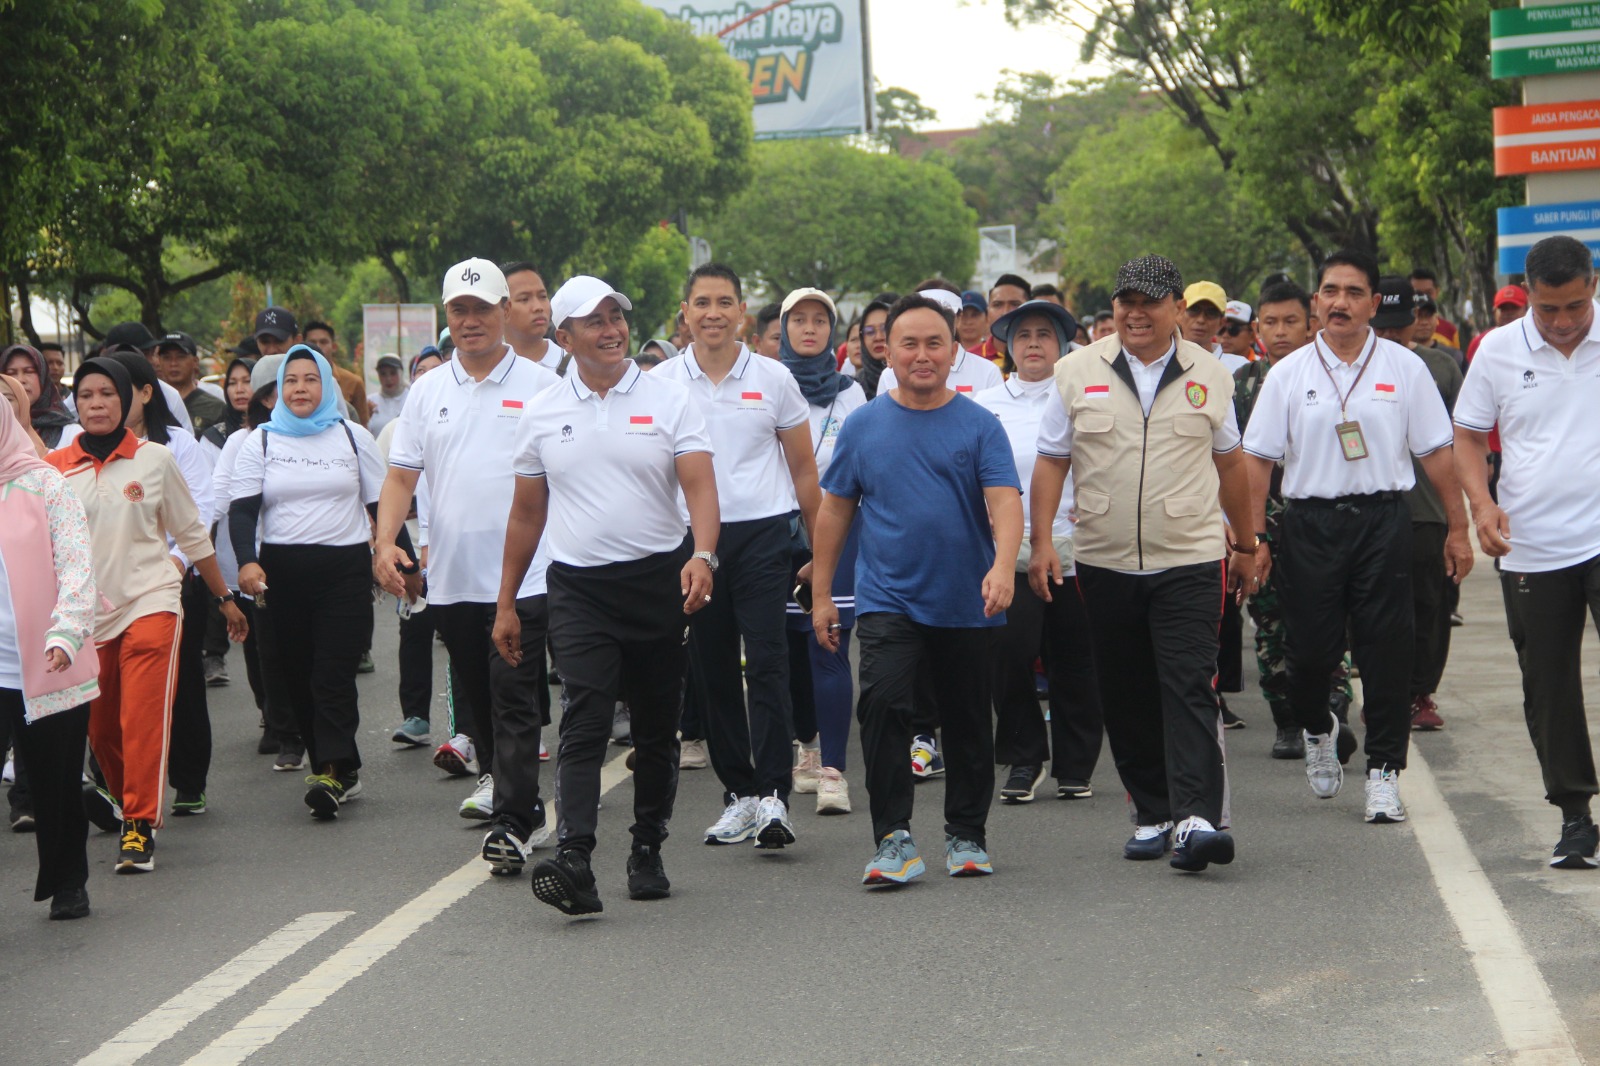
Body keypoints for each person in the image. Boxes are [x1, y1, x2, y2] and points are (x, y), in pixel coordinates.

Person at [495, 275, 719, 916]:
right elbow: (526, 514)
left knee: (655, 727)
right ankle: (575, 857)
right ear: (564, 337)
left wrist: (703, 555)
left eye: (616, 317)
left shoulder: (669, 399)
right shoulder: (541, 412)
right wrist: (506, 603)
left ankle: (646, 847)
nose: (612, 330)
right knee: (585, 719)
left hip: (659, 582)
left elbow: (701, 487)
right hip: (578, 588)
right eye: (594, 321)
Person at [1031, 254, 1255, 874]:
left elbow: (1231, 464)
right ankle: (1153, 813)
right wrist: (1043, 540)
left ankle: (1196, 818)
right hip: (1104, 560)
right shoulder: (1076, 371)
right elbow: (1051, 459)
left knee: (1188, 685)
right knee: (1125, 690)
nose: (1135, 313)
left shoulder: (1211, 374)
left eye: (1150, 302)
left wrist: (1246, 544)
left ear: (1176, 308)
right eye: (1125, 301)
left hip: (1189, 557)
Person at [1242, 249, 1471, 825]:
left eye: (1352, 292)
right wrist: (1254, 537)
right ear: (1316, 302)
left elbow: (1437, 454)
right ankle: (1320, 728)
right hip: (1310, 525)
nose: (1339, 302)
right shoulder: (1289, 373)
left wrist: (1458, 526)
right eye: (1330, 291)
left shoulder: (1404, 367)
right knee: (1308, 656)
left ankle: (1383, 774)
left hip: (1382, 522)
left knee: (1387, 653)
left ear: (1372, 304)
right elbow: (1257, 461)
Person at [809, 293, 1020, 886]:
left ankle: (967, 834)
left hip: (967, 599)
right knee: (881, 705)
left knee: (968, 718)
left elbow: (1006, 502)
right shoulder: (863, 426)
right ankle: (893, 838)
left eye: (934, 343)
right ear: (887, 351)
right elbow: (834, 511)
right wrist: (822, 594)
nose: (922, 355)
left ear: (954, 351)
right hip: (888, 597)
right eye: (909, 344)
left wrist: (1004, 567)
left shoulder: (980, 424)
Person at [375, 257, 559, 871]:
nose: (471, 320)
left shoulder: (541, 386)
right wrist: (385, 542)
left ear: (504, 311)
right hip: (452, 579)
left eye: (483, 308)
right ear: (447, 315)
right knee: (479, 703)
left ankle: (511, 821)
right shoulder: (427, 392)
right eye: (460, 309)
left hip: (526, 575)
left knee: (514, 697)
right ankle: (520, 801)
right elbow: (401, 477)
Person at [47, 357, 246, 872]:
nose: (96, 403)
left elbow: (191, 533)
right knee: (101, 730)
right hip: (86, 618)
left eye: (107, 393)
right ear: (75, 403)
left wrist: (223, 597)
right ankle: (121, 797)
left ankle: (138, 823)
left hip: (152, 600)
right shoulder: (54, 467)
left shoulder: (155, 459)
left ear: (128, 399)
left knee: (142, 715)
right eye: (86, 395)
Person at [654, 263, 820, 850]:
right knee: (712, 666)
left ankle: (774, 795)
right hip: (692, 543)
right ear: (685, 313)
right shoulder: (662, 383)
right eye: (702, 302)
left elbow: (803, 469)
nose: (713, 313)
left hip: (763, 536)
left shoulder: (773, 378)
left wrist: (819, 553)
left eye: (725, 302)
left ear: (742, 313)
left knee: (769, 660)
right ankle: (740, 795)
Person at [1453, 234, 1600, 869]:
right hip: (1532, 546)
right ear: (1529, 297)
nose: (1563, 322)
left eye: (1575, 307)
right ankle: (1575, 818)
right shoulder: (1497, 350)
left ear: (1594, 285)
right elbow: (1466, 436)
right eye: (1548, 310)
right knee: (1549, 686)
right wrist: (1481, 506)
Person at [229, 346, 392, 818]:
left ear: (327, 386)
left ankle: (332, 770)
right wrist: (247, 562)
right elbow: (242, 512)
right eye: (291, 380)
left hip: (344, 571)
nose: (300, 388)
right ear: (279, 389)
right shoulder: (261, 441)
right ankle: (338, 766)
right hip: (281, 573)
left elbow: (381, 507)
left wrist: (398, 560)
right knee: (296, 674)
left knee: (332, 673)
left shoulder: (353, 436)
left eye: (310, 379)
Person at [976, 300, 1103, 804]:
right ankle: (1025, 757)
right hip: (1007, 549)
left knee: (1075, 658)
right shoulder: (985, 404)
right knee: (1008, 653)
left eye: (1044, 334)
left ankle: (1075, 764)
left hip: (1078, 543)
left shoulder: (1081, 395)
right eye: (1023, 334)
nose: (1033, 343)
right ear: (1008, 345)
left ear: (1063, 344)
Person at [1234, 282, 1355, 759]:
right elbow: (1228, 458)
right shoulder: (1242, 383)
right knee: (1270, 623)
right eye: (1270, 322)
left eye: (1290, 321)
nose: (1280, 331)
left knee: (1330, 620)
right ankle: (1287, 721)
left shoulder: (1335, 375)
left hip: (1323, 523)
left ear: (1310, 324)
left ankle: (1334, 709)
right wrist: (1243, 531)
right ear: (1257, 328)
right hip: (1261, 524)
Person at [0, 397, 100, 919]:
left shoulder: (45, 485)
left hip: (47, 661)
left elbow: (77, 566)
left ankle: (67, 882)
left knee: (56, 780)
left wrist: (65, 634)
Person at [778, 287, 866, 815]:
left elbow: (861, 470)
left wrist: (827, 542)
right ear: (783, 328)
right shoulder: (765, 384)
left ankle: (833, 770)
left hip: (839, 534)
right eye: (799, 319)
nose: (809, 328)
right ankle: (805, 747)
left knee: (828, 645)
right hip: (777, 536)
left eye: (819, 320)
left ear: (832, 331)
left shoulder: (853, 395)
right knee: (789, 654)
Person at [1371, 277, 1463, 732]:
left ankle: (1421, 692)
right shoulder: (1349, 367)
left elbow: (1464, 439)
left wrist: (1462, 514)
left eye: (1398, 325)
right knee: (1376, 606)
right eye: (1381, 326)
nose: (1389, 334)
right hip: (1369, 506)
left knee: (1429, 604)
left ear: (1415, 321)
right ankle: (1383, 691)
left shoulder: (1440, 367)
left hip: (1426, 508)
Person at [198, 356, 256, 688]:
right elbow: (211, 497)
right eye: (232, 383)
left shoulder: (274, 434)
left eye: (246, 381)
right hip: (225, 542)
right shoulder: (216, 437)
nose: (239, 389)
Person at [878, 290, 1004, 397]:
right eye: (910, 344)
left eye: (946, 316)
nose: (922, 357)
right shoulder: (890, 374)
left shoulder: (987, 371)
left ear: (958, 318)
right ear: (888, 354)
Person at [2, 343, 76, 449]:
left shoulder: (69, 432)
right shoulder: (3, 427)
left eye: (29, 371)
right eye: (11, 373)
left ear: (42, 376)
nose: (20, 380)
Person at [151, 332, 227, 434]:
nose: (173, 363)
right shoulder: (150, 404)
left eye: (180, 357)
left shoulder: (215, 408)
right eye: (167, 357)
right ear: (159, 362)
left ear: (195, 361)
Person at [300, 320, 372, 425]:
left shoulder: (354, 382)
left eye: (323, 342)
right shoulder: (293, 382)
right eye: (312, 342)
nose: (318, 347)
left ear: (334, 347)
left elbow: (362, 424)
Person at [502, 261, 566, 373]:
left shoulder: (576, 368)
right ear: (503, 308)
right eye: (524, 299)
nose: (538, 307)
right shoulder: (483, 371)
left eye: (543, 296)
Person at [1181, 281, 1249, 373]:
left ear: (1222, 322)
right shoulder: (1163, 360)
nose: (1201, 320)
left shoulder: (1239, 367)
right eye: (1194, 310)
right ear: (1179, 314)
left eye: (1211, 313)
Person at [853, 294, 897, 400]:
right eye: (869, 331)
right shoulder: (854, 386)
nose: (878, 337)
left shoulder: (912, 378)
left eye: (885, 329)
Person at [1408, 268, 1459, 347]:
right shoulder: (1400, 331)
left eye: (1428, 293)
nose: (1423, 297)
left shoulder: (1449, 330)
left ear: (1437, 292)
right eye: (1417, 293)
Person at [366, 355, 408, 436]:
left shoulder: (411, 399)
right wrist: (366, 417)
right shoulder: (370, 402)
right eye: (383, 374)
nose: (388, 379)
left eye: (393, 373)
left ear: (401, 374)